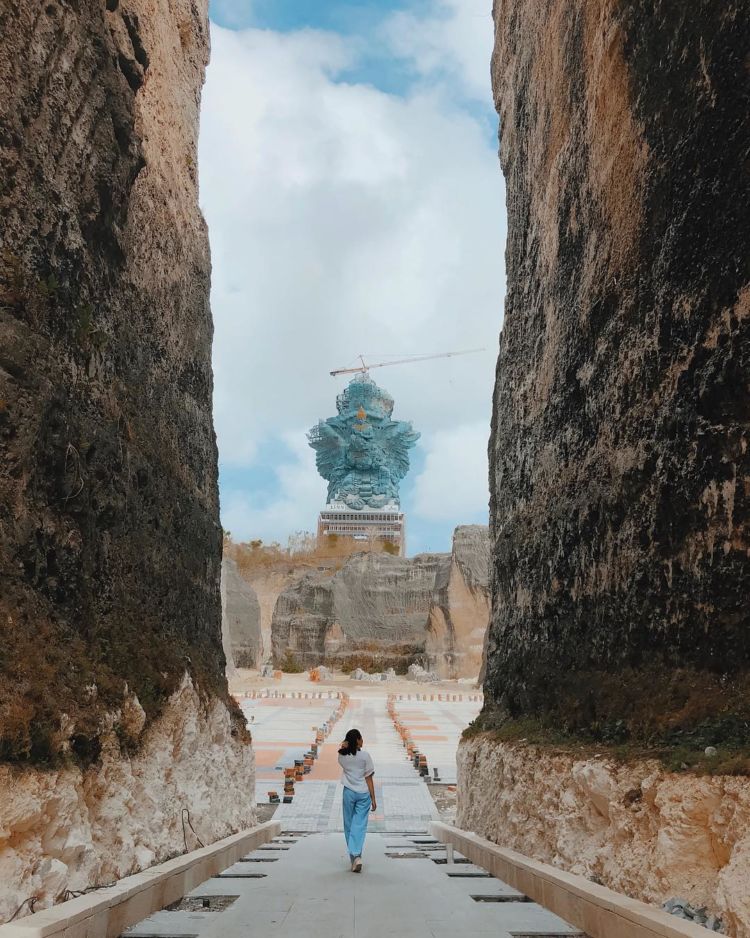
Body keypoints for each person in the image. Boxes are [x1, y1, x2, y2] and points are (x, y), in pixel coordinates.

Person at [337, 728, 376, 872]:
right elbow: (369, 778)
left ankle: (354, 858)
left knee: (348, 824)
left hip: (348, 793)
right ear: (358, 740)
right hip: (363, 794)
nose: (363, 741)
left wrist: (344, 746)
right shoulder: (365, 756)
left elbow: (342, 749)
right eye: (361, 738)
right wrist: (373, 798)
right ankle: (357, 856)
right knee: (359, 825)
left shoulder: (342, 758)